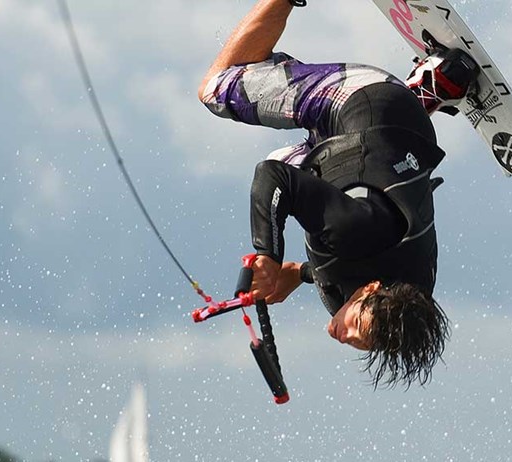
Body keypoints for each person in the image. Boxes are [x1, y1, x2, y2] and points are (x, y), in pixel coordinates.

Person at [198, 0, 475, 388]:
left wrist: (300, 274)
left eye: (359, 342)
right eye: (356, 325)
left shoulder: (407, 298)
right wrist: (268, 256)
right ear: (373, 290)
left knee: (306, 164)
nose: (345, 336)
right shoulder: (356, 231)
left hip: (397, 141)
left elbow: (361, 262)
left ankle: (434, 89)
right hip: (362, 98)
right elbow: (272, 178)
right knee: (216, 89)